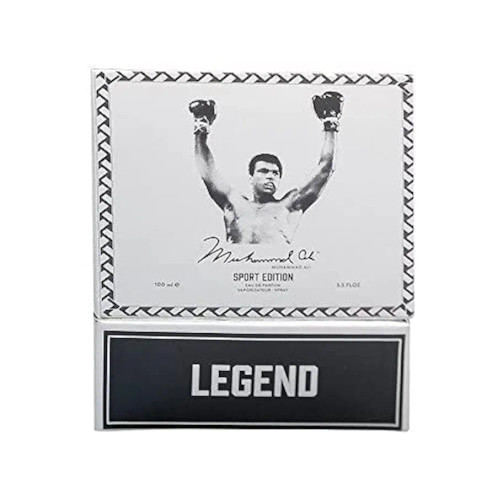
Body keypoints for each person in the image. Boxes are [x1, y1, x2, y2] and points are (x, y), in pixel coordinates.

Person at [189, 92, 343, 244]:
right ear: (251, 177)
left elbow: (325, 168)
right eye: (263, 171)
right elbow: (207, 172)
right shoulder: (235, 203)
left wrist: (330, 122)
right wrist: (201, 127)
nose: (270, 176)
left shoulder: (289, 205)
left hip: (276, 261)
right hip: (237, 260)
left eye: (275, 173)